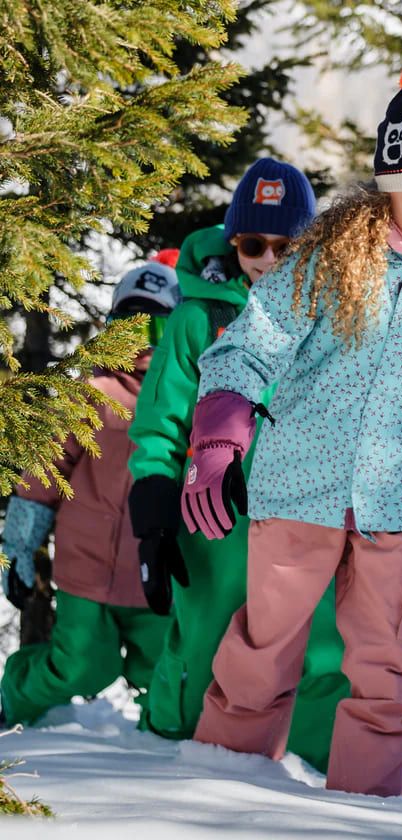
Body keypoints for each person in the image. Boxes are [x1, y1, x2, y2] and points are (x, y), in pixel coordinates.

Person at [181, 55, 402, 797]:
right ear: (387, 187)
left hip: (398, 509)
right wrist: (218, 444)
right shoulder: (327, 262)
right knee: (260, 657)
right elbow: (246, 351)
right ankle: (221, 795)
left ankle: (369, 816)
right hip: (296, 492)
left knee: (390, 676)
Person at [126, 159, 348, 772]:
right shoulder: (198, 318)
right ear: (233, 243)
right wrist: (154, 508)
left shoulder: (331, 316)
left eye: (286, 246)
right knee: (207, 633)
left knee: (320, 643)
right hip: (213, 509)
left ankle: (320, 767)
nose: (268, 260)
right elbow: (163, 414)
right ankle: (167, 741)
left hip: (306, 505)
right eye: (254, 245)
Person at [0, 259, 180, 725]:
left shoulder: (187, 401)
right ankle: (13, 699)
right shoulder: (91, 392)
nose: (141, 344)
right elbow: (44, 471)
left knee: (165, 674)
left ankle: (161, 749)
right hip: (86, 570)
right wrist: (20, 545)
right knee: (81, 666)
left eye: (156, 328)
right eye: (128, 328)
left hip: (155, 575)